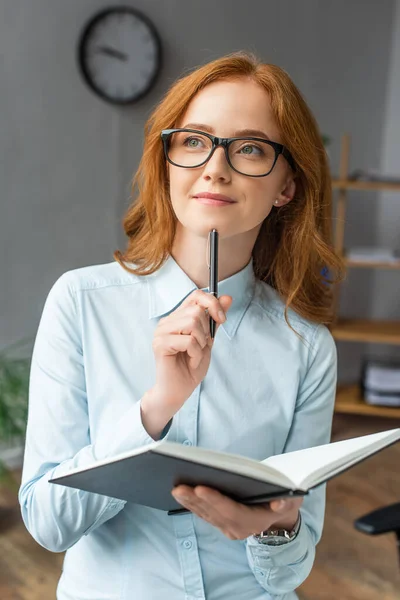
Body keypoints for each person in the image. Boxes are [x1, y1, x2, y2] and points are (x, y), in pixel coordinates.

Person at [19, 51, 344, 600]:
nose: (215, 167)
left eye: (249, 149)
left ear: (287, 186)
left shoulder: (306, 347)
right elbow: (49, 525)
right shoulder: (80, 302)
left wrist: (275, 526)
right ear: (166, 159)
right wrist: (154, 411)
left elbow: (290, 569)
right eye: (194, 140)